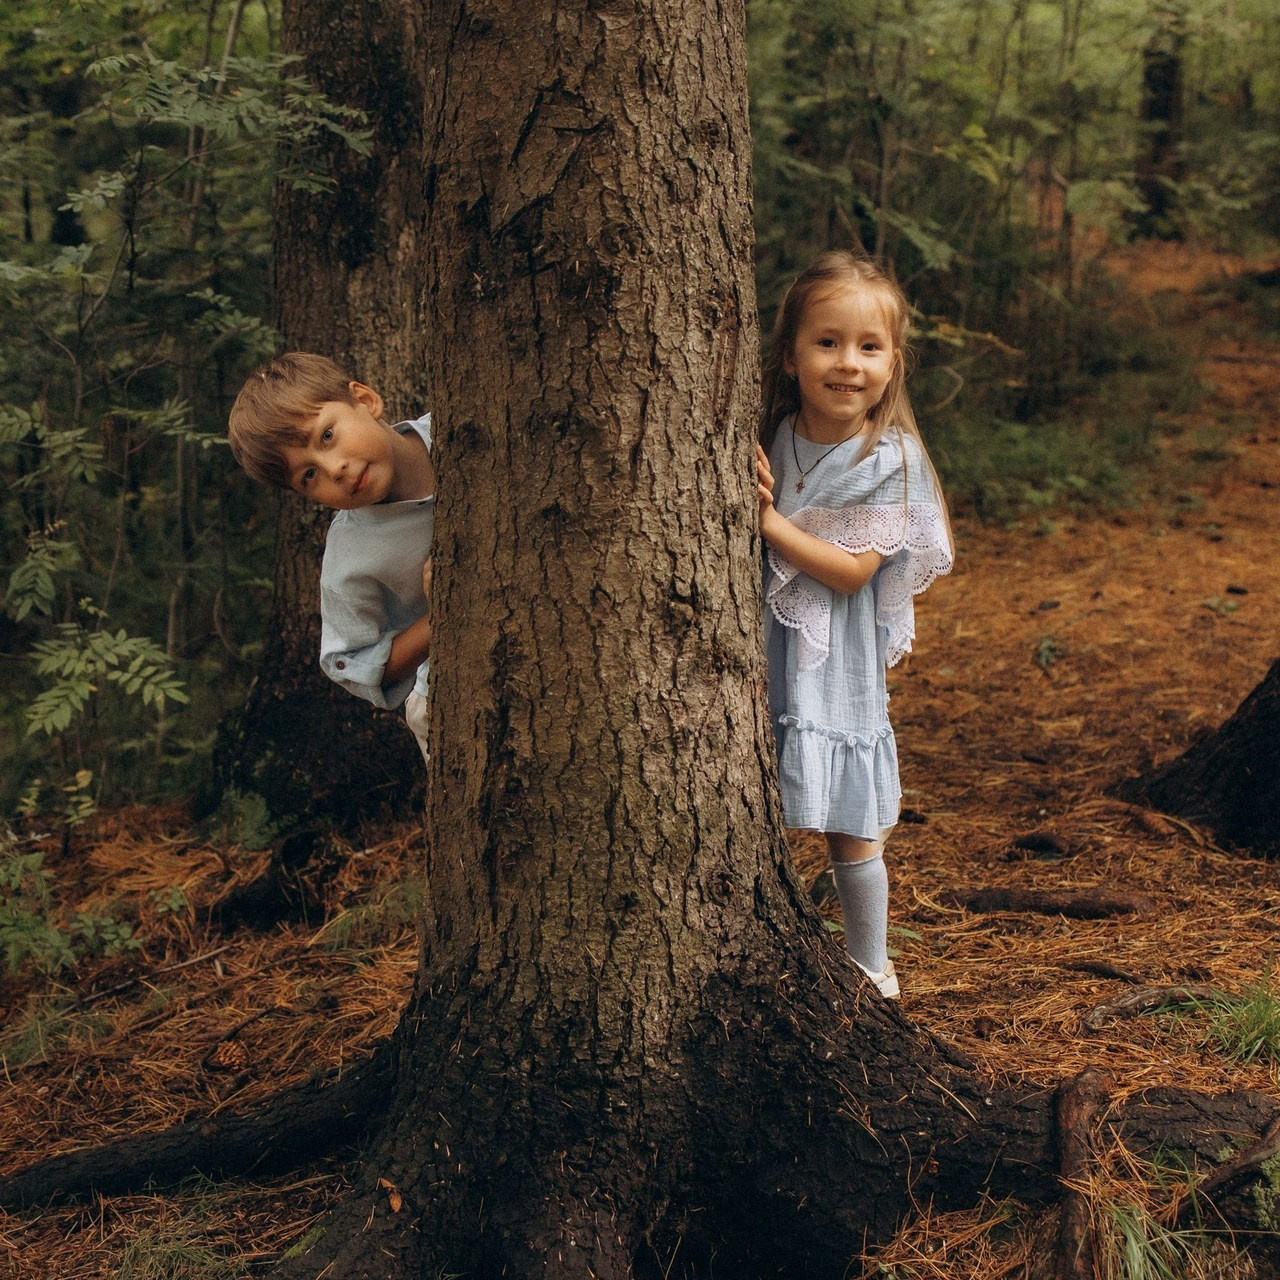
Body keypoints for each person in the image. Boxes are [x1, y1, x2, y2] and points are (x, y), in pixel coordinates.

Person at [756, 251, 953, 998]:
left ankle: (872, 965)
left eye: (869, 347)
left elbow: (851, 572)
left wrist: (767, 522)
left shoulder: (889, 457)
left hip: (835, 655)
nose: (848, 364)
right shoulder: (771, 430)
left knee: (850, 821)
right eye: (828, 342)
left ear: (893, 361)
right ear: (790, 354)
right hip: (764, 645)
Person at [228, 352, 435, 763]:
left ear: (365, 399)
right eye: (308, 475)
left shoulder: (466, 425)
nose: (333, 469)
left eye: (326, 436)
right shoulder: (351, 558)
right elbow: (351, 662)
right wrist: (439, 620)